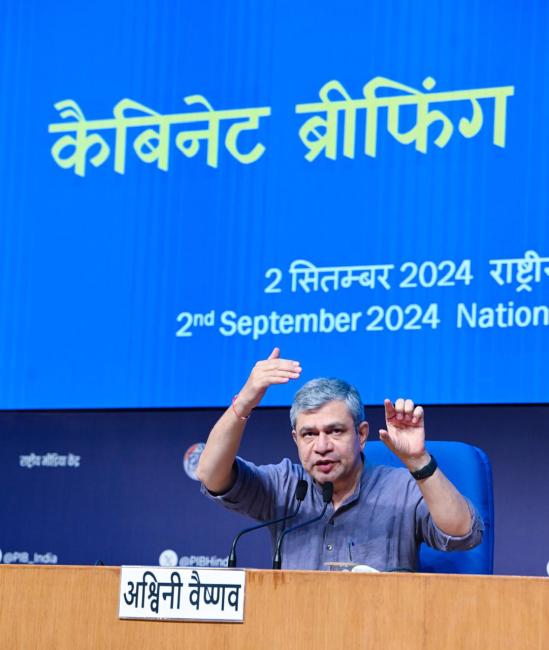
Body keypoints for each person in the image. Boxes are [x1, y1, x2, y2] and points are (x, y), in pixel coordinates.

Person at [196, 348, 483, 571]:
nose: (321, 446)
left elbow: (463, 533)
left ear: (361, 435)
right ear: (296, 439)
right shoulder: (284, 487)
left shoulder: (401, 489)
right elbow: (210, 474)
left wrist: (419, 461)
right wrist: (244, 402)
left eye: (334, 431)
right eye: (309, 434)